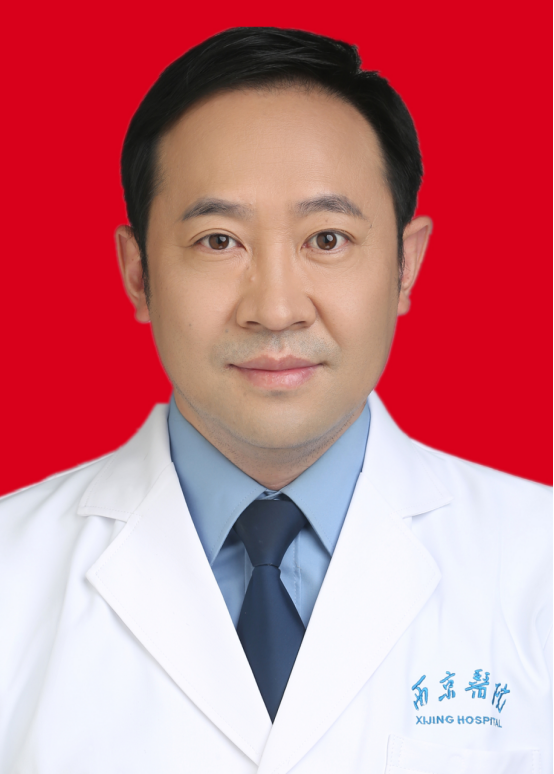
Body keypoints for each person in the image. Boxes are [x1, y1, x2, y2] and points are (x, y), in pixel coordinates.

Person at [0, 26, 551, 774]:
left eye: (327, 239)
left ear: (406, 264)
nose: (276, 309)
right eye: (218, 241)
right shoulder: (13, 575)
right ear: (137, 273)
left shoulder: (537, 565)